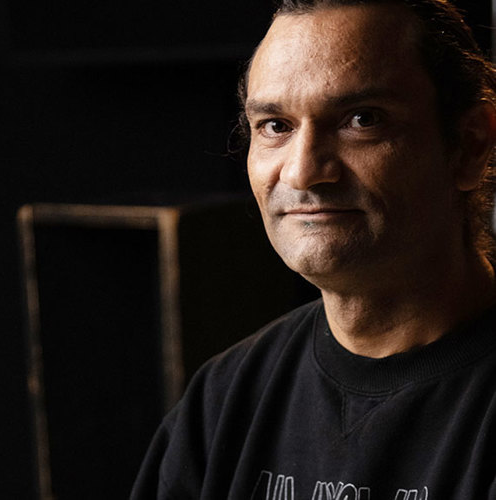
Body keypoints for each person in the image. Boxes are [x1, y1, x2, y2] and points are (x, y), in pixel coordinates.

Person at [131, 0, 496, 498]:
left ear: (471, 146)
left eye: (362, 119)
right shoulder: (224, 399)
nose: (303, 171)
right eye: (275, 126)